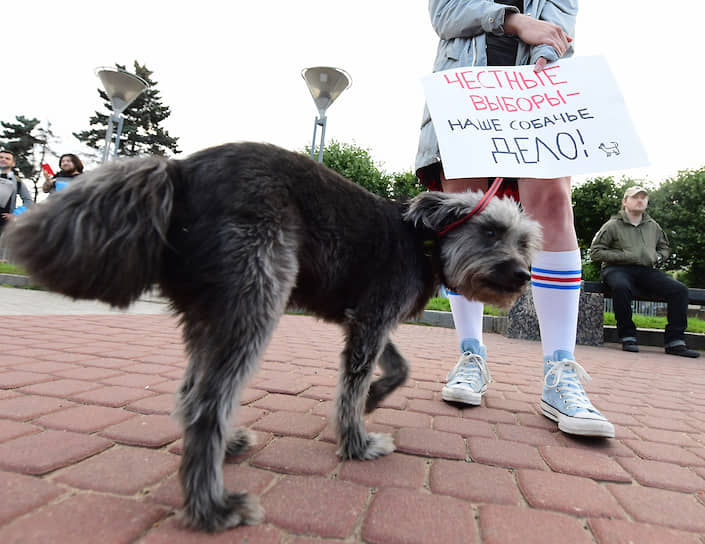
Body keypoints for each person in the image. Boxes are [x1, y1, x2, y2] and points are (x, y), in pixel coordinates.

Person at [416, 1, 614, 437]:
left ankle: (560, 371)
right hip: (465, 89)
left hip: (536, 95)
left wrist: (548, 52)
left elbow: (560, 22)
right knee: (465, 212)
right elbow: (446, 14)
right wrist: (517, 22)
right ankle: (471, 355)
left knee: (554, 203)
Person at [590, 186, 700, 358]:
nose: (640, 200)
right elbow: (595, 252)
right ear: (625, 202)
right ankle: (627, 336)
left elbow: (664, 248)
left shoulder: (653, 226)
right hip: (617, 269)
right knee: (621, 287)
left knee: (679, 290)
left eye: (643, 197)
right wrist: (624, 255)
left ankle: (675, 342)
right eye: (635, 197)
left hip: (646, 270)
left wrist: (657, 258)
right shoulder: (612, 225)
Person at [0, 149, 33, 235]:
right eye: (1, 157)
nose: (3, 159)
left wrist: (16, 214)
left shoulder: (17, 181)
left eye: (7, 158)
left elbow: (28, 201)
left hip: (4, 225)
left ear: (13, 163)